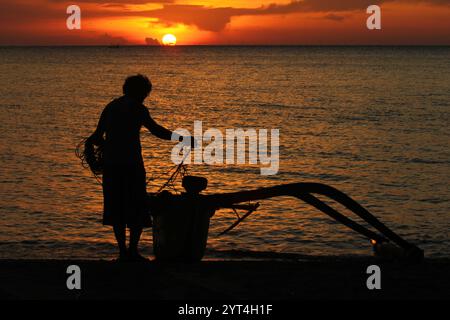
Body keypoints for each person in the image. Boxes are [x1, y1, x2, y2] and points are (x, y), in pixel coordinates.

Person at [87, 74, 192, 262]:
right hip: (132, 164)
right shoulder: (138, 109)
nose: (145, 96)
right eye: (145, 93)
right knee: (137, 206)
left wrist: (103, 148)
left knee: (116, 207)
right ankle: (133, 252)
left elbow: (96, 136)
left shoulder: (111, 107)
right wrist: (183, 138)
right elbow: (157, 130)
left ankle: (122, 253)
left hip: (111, 166)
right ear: (141, 92)